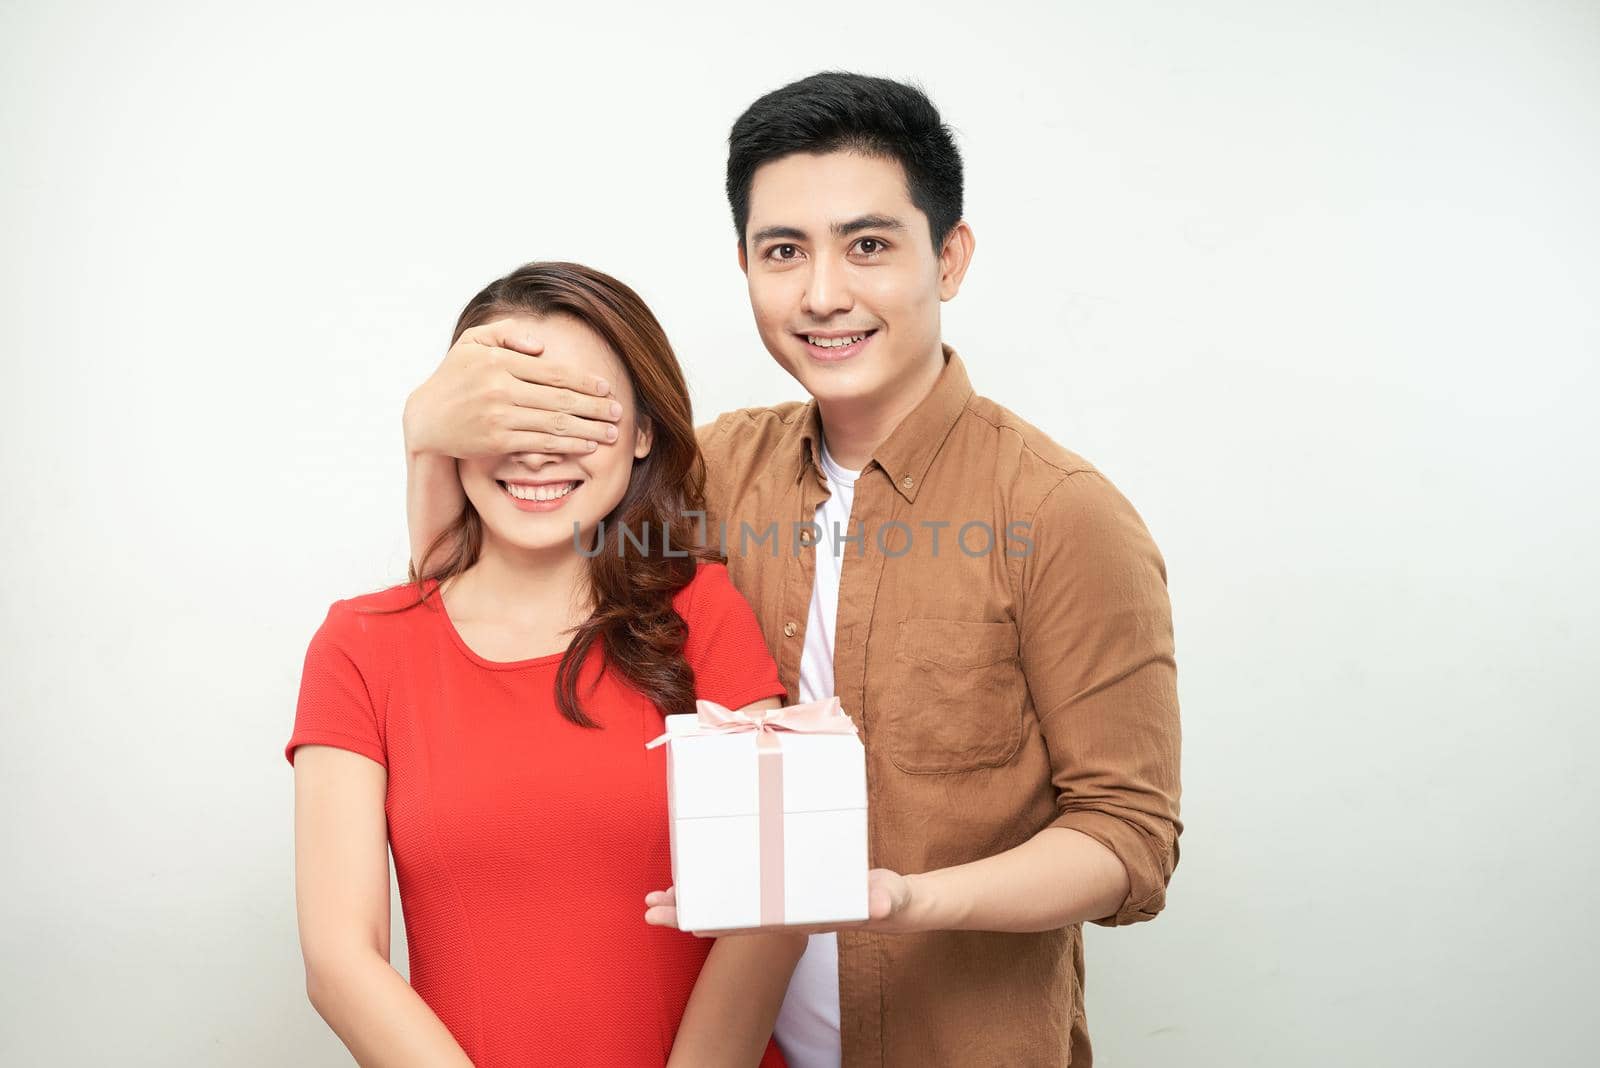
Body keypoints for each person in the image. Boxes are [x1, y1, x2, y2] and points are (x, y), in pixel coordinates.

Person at [404, 74, 1183, 1067]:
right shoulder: (714, 473)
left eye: (868, 245)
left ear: (949, 257)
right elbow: (479, 601)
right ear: (745, 266)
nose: (822, 294)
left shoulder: (1061, 514)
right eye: (783, 252)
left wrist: (908, 898)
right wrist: (425, 435)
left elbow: (1129, 840)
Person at [287, 262, 801, 1067]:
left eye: (577, 414)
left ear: (641, 435)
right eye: (506, 412)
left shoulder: (701, 609)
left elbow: (777, 903)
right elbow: (339, 960)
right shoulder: (359, 644)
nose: (537, 451)